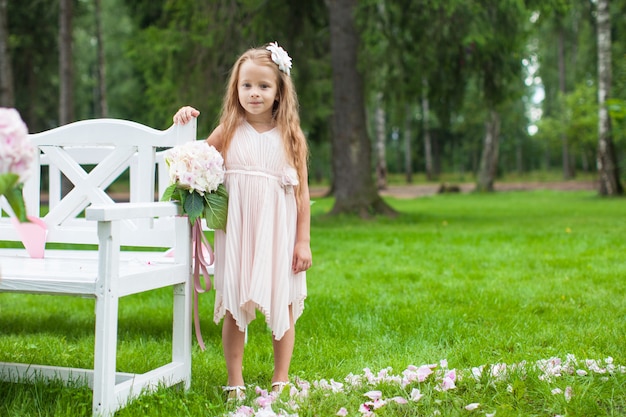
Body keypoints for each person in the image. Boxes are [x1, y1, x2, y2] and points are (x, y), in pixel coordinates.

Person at [173, 42, 312, 401]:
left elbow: (303, 196)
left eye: (264, 86)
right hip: (238, 231)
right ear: (236, 88)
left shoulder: (291, 137)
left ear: (280, 91)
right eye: (246, 85)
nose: (254, 93)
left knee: (281, 302)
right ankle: (234, 381)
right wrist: (185, 121)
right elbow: (193, 160)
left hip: (278, 233)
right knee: (234, 303)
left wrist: (303, 241)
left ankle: (280, 378)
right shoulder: (229, 129)